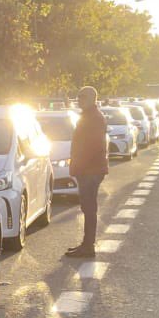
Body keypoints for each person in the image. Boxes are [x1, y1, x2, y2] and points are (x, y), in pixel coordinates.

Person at [66, 86, 108, 258]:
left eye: (82, 96)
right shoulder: (89, 116)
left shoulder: (94, 118)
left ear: (93, 98)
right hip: (88, 169)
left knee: (89, 208)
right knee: (87, 207)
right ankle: (86, 244)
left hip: (90, 170)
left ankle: (88, 246)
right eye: (78, 96)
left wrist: (78, 166)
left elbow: (92, 147)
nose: (79, 99)